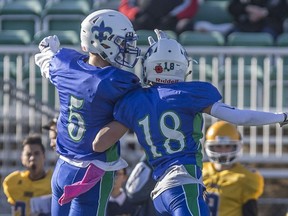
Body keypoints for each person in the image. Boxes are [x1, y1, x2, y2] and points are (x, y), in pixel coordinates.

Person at [92, 29, 288, 215]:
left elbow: (99, 143)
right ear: (182, 67)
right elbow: (240, 117)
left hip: (158, 192)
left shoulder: (134, 100)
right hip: (183, 184)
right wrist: (282, 116)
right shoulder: (191, 93)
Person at [34, 9, 141, 215]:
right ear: (103, 42)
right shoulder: (116, 81)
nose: (126, 48)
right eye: (121, 42)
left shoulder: (65, 64)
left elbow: (46, 63)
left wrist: (49, 52)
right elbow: (141, 103)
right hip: (93, 172)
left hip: (63, 168)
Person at [203, 120, 264, 216]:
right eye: (218, 146)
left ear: (236, 146)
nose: (223, 151)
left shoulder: (246, 177)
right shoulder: (199, 171)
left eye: (228, 146)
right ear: (210, 147)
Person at [2, 134, 53, 216]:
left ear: (44, 156)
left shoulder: (53, 182)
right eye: (28, 154)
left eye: (36, 153)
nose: (32, 158)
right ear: (22, 158)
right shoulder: (12, 181)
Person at [119, 0, 198, 33]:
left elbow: (191, 5)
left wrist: (173, 16)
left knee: (186, 25)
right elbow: (126, 5)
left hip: (170, 23)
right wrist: (136, 13)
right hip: (142, 20)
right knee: (124, 27)